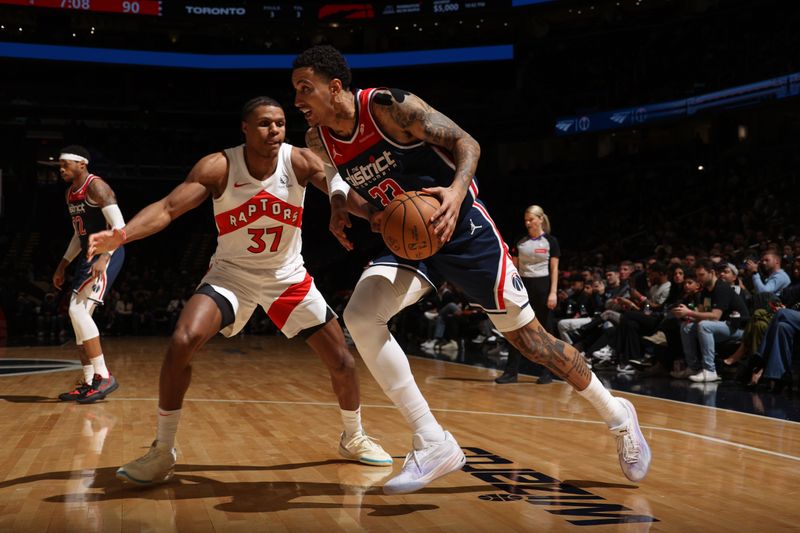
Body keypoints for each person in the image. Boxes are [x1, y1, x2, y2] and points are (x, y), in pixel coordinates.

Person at [291, 45, 651, 495]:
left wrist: (457, 193)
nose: (298, 100)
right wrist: (346, 207)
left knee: (534, 342)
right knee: (362, 316)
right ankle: (432, 441)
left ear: (336, 87)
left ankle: (617, 416)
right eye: (295, 91)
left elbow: (468, 143)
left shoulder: (388, 107)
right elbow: (340, 185)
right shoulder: (317, 139)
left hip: (460, 228)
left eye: (306, 89)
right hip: (408, 237)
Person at [88, 97, 391, 486]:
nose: (275, 131)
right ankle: (163, 450)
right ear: (245, 129)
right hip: (233, 276)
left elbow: (337, 185)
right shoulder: (219, 166)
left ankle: (354, 437)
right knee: (182, 340)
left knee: (343, 363)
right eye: (265, 124)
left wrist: (372, 214)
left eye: (280, 123)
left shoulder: (297, 160)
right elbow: (167, 208)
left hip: (287, 276)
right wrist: (123, 235)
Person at [53, 145, 125, 404]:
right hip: (87, 256)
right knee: (77, 319)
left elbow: (120, 227)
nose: (61, 169)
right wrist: (62, 264)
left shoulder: (97, 187)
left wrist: (106, 256)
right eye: (60, 166)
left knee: (78, 312)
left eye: (65, 165)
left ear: (81, 164)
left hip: (108, 253)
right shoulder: (70, 194)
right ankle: (87, 380)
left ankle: (103, 376)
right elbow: (78, 235)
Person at [496, 205, 559, 384]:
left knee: (545, 331)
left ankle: (547, 372)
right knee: (516, 328)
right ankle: (511, 371)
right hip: (522, 288)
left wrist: (553, 292)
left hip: (544, 288)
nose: (528, 223)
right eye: (526, 220)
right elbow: (513, 268)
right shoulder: (520, 241)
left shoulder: (550, 242)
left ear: (540, 219)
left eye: (531, 219)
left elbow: (554, 269)